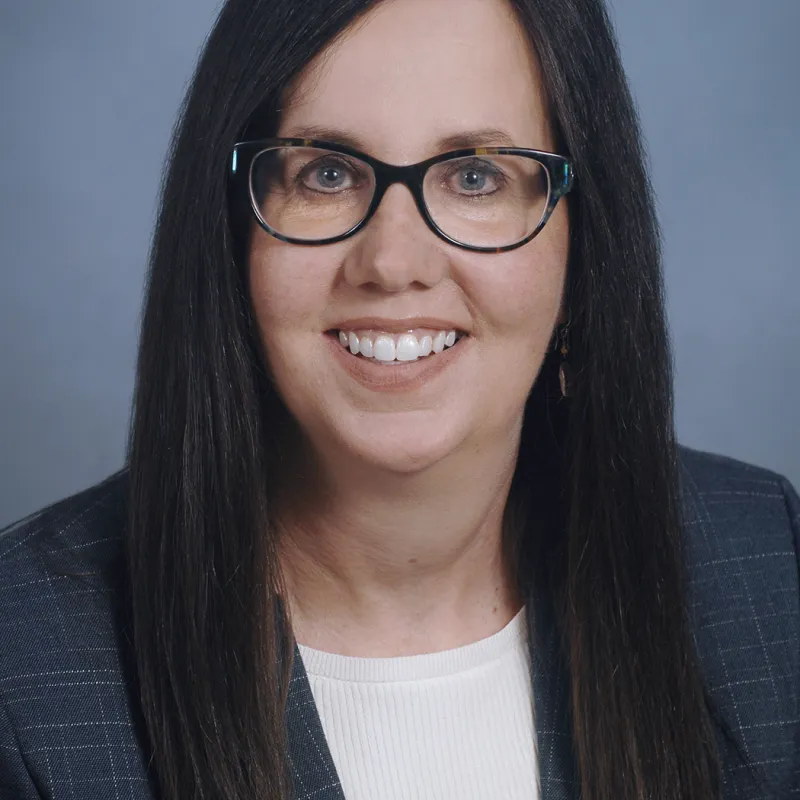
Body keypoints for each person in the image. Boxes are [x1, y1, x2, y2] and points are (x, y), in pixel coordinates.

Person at [1, 0, 798, 798]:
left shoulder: (765, 568)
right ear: (230, 234)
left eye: (476, 177)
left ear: (583, 242)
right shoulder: (25, 670)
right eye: (326, 173)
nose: (393, 261)